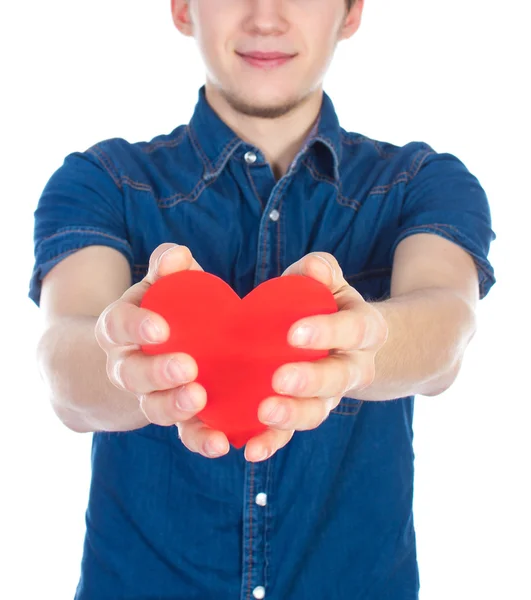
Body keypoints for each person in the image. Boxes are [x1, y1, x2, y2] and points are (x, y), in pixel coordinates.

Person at [29, 0, 496, 598]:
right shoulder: (100, 182)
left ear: (351, 13)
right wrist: (129, 358)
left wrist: (358, 342)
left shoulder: (423, 182)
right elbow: (64, 365)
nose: (265, 17)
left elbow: (446, 327)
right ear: (181, 8)